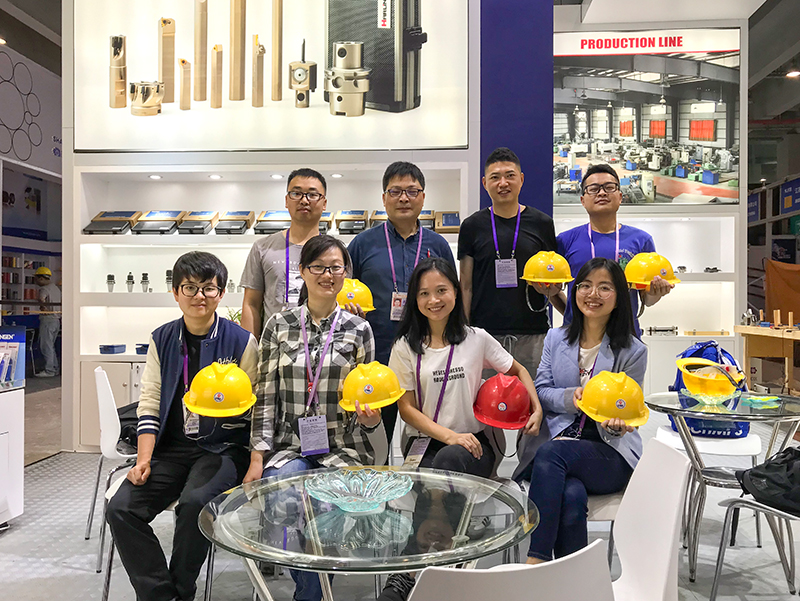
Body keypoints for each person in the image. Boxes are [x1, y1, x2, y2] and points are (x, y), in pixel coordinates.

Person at [377, 257, 543, 601]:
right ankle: (445, 572)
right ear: (415, 299)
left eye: (441, 290)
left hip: (476, 446)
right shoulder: (405, 346)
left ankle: (408, 576)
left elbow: (518, 370)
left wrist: (536, 407)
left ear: (455, 291)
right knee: (434, 470)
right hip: (425, 443)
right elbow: (406, 409)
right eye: (424, 293)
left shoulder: (476, 338)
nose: (434, 300)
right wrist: (449, 435)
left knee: (446, 465)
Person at [106, 251, 259, 601]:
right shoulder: (161, 339)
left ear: (221, 293)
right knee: (121, 508)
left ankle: (182, 589)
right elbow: (149, 403)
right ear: (175, 292)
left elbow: (255, 405)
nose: (199, 296)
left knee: (194, 504)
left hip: (221, 449)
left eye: (208, 288)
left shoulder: (241, 341)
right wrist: (143, 459)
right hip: (170, 450)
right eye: (190, 287)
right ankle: (163, 595)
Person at [246, 235, 381, 601]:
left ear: (345, 273)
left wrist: (371, 419)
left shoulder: (359, 330)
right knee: (282, 493)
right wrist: (257, 457)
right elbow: (265, 395)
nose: (327, 275)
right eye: (318, 267)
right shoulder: (279, 325)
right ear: (302, 272)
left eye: (335, 267)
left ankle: (308, 596)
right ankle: (312, 593)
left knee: (326, 507)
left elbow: (368, 399)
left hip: (342, 448)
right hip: (289, 447)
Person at [514, 257, 647, 563]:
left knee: (552, 454)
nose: (593, 294)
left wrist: (617, 424)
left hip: (607, 450)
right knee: (571, 496)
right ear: (574, 291)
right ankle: (571, 578)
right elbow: (541, 391)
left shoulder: (633, 351)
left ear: (619, 297)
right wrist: (569, 397)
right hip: (557, 441)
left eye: (604, 288)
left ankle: (534, 561)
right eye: (585, 285)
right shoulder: (555, 338)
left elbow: (629, 411)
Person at [348, 162, 455, 443]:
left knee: (425, 433)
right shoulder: (362, 244)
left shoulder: (438, 245)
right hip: (376, 355)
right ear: (384, 198)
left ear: (423, 196)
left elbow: (452, 297)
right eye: (395, 191)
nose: (404, 198)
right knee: (374, 435)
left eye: (412, 191)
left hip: (427, 353)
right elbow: (344, 291)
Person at [458, 147, 557, 381]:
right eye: (495, 177)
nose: (503, 183)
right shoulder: (472, 226)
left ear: (521, 179)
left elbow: (551, 281)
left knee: (534, 397)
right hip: (484, 335)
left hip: (533, 334)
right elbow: (466, 285)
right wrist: (464, 331)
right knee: (485, 400)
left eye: (510, 175)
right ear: (485, 183)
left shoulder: (542, 223)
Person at [544, 164, 673, 335]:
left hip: (625, 336)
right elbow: (553, 290)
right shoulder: (565, 240)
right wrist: (572, 315)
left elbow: (646, 299)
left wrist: (656, 293)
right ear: (583, 200)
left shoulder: (641, 241)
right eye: (594, 189)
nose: (602, 193)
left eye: (609, 187)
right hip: (576, 338)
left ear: (620, 197)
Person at [240, 168, 328, 339]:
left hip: (323, 346)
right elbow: (251, 304)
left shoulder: (335, 253)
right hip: (275, 346)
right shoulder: (262, 248)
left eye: (312, 195)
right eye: (296, 193)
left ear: (324, 203)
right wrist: (250, 349)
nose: (304, 200)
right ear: (286, 200)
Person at [34, 266, 61, 377]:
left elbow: (41, 299)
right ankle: (54, 368)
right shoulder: (56, 288)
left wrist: (43, 308)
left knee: (46, 346)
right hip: (56, 320)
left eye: (36, 279)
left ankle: (49, 370)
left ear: (41, 278)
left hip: (47, 320)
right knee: (51, 346)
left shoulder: (44, 289)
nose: (36, 281)